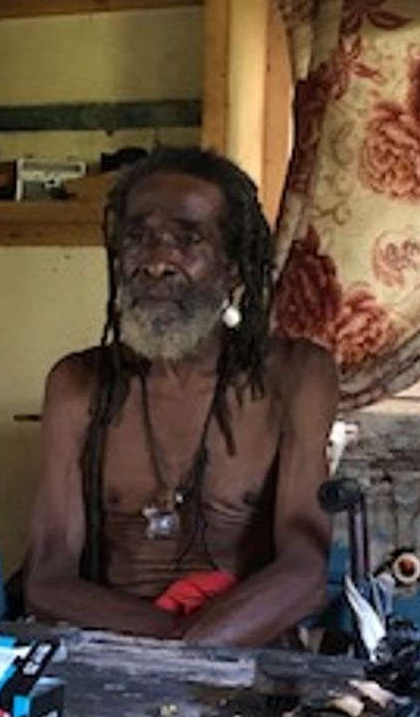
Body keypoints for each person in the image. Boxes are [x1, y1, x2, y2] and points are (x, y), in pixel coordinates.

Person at [23, 146, 340, 647]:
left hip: (244, 649)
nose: (157, 262)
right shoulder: (77, 385)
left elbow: (303, 572)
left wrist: (194, 647)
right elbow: (47, 581)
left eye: (188, 240)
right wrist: (172, 641)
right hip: (114, 648)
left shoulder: (297, 376)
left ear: (233, 267)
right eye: (138, 239)